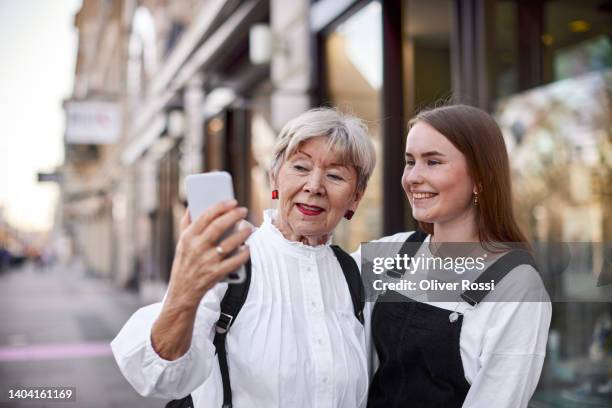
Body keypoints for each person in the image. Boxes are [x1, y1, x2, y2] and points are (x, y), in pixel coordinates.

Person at [111, 108, 377, 408]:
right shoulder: (229, 260)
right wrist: (185, 290)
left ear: (355, 196)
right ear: (274, 176)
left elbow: (437, 260)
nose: (314, 186)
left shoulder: (358, 271)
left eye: (334, 175)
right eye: (301, 168)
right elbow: (159, 378)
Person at [355, 105, 552, 408]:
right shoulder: (394, 252)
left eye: (433, 162)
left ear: (481, 178)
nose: (413, 177)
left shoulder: (516, 285)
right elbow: (315, 285)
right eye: (410, 162)